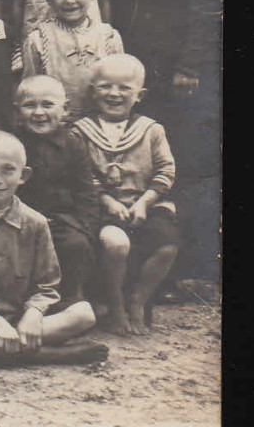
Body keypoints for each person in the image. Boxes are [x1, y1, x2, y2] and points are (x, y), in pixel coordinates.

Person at [95, 0, 221, 277]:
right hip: (128, 69)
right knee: (134, 165)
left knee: (182, 160)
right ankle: (138, 265)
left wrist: (191, 66)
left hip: (178, 66)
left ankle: (190, 267)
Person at [0, 130, 106, 369]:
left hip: (19, 311)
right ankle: (53, 354)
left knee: (84, 313)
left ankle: (6, 349)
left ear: (23, 175)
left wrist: (33, 314)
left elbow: (48, 283)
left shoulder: (35, 222)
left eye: (7, 170)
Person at [74, 54, 181, 336]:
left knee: (167, 246)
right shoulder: (80, 132)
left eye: (124, 88)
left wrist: (145, 202)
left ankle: (139, 299)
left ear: (139, 95)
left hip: (147, 203)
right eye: (106, 86)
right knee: (116, 243)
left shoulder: (151, 130)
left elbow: (166, 170)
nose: (114, 93)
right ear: (92, 91)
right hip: (103, 207)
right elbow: (81, 176)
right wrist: (107, 201)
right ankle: (116, 303)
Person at [13, 75, 100, 309]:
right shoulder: (12, 144)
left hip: (62, 220)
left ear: (65, 109)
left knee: (76, 246)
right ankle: (22, 305)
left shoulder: (73, 145)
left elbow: (86, 193)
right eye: (30, 105)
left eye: (47, 105)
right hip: (21, 219)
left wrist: (84, 228)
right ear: (17, 110)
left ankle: (71, 302)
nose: (39, 113)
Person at [21, 0, 125, 122]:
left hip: (98, 122)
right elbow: (30, 88)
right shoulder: (38, 39)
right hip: (55, 123)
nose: (69, 0)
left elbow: (119, 85)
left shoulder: (108, 36)